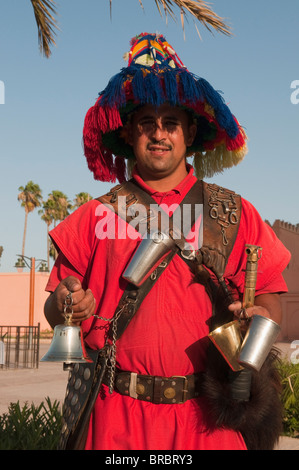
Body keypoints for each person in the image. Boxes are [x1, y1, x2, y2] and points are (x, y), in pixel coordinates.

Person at [44, 33, 290, 451]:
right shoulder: (93, 216)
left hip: (209, 418)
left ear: (190, 132)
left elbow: (271, 297)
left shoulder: (234, 212)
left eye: (171, 123)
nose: (159, 134)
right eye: (146, 123)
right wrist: (67, 303)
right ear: (130, 133)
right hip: (114, 416)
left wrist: (255, 318)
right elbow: (54, 310)